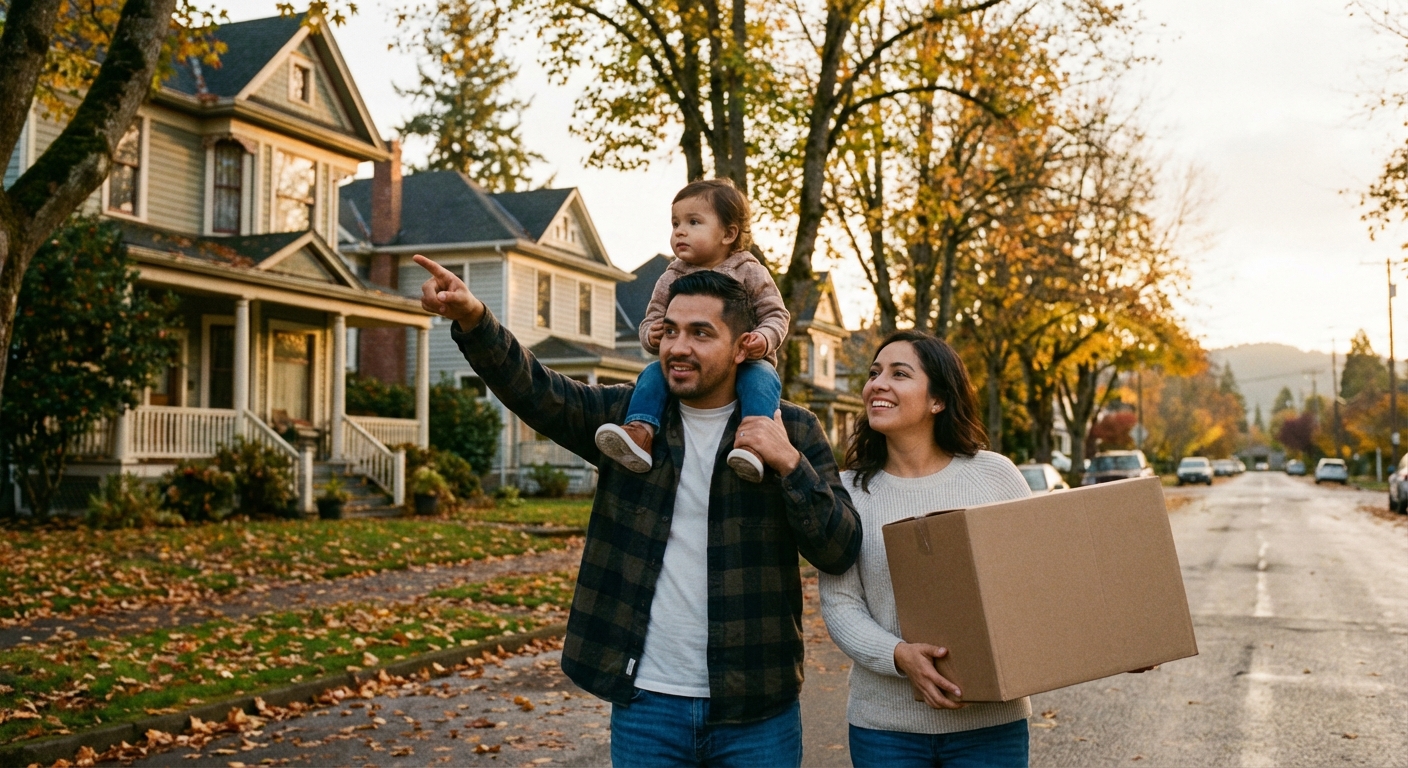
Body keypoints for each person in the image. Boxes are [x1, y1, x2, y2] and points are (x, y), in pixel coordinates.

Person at [416, 256, 862, 768]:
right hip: (647, 705)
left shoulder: (794, 430)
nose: (678, 347)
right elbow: (537, 390)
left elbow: (839, 548)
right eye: (670, 331)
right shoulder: (630, 421)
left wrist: (787, 462)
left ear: (743, 347)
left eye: (700, 333)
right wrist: (474, 318)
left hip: (756, 707)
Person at [818, 331, 1033, 768]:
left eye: (899, 374)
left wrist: (1112, 645)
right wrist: (900, 656)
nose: (878, 383)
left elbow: (1040, 580)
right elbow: (840, 603)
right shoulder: (848, 493)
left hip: (990, 725)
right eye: (874, 373)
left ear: (938, 400)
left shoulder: (994, 477)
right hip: (886, 730)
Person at [594, 178, 788, 483]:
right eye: (675, 223)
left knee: (763, 381)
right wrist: (651, 335)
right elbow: (651, 319)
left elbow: (776, 313)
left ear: (729, 233)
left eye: (693, 222)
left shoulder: (749, 270)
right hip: (689, 368)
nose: (679, 231)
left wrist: (763, 339)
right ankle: (640, 432)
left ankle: (754, 443)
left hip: (747, 359)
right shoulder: (671, 276)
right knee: (651, 375)